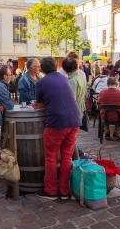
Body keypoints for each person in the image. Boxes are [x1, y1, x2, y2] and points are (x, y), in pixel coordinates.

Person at [32, 57, 80, 200]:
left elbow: (39, 102)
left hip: (57, 123)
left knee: (51, 157)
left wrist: (38, 105)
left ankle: (51, 191)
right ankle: (65, 191)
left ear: (42, 69)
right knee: (67, 157)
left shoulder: (41, 82)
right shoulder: (65, 78)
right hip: (75, 121)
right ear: (56, 66)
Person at [64, 57, 87, 131]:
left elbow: (71, 100)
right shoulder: (81, 75)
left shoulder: (72, 81)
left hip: (74, 112)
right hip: (80, 109)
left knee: (71, 137)